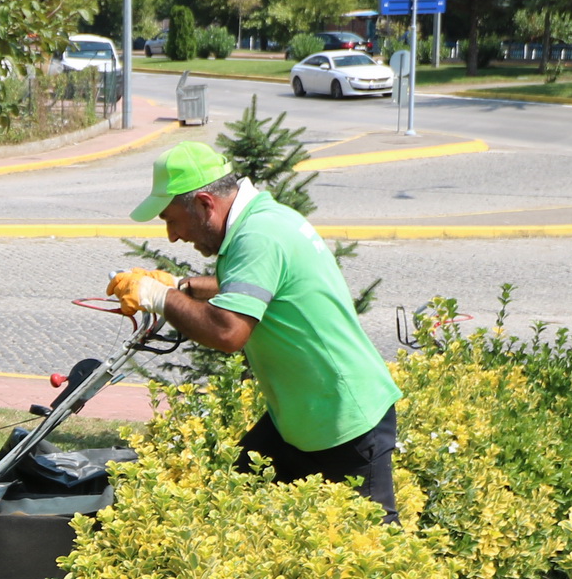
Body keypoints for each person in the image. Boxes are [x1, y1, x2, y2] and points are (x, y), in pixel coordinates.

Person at [107, 141, 402, 521]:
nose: (172, 236)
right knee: (229, 508)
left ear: (204, 203)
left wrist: (159, 296)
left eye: (170, 219)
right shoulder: (265, 219)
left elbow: (228, 333)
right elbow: (264, 285)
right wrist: (185, 286)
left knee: (374, 553)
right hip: (304, 416)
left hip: (344, 421)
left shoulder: (257, 237)